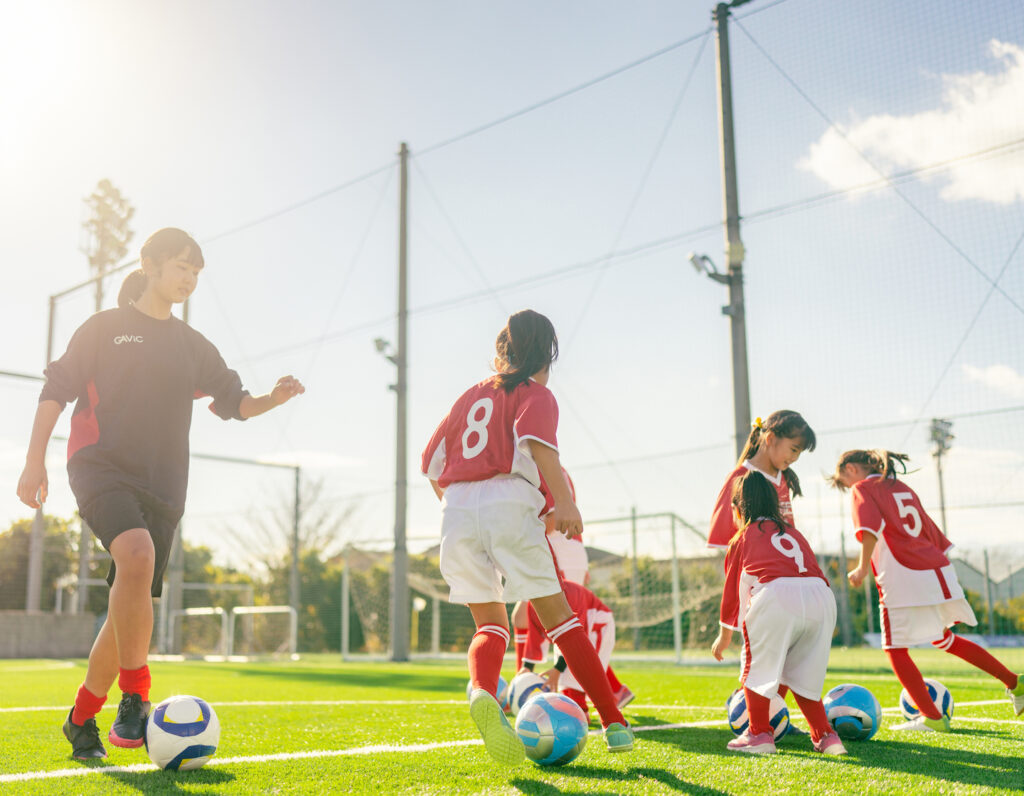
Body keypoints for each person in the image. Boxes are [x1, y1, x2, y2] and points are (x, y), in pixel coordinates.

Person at [16, 228, 305, 761]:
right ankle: (136, 696)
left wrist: (274, 398)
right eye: (180, 267)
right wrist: (34, 461)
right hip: (98, 464)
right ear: (148, 264)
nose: (189, 278)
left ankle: (81, 719)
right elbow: (55, 390)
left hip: (166, 484)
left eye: (196, 271)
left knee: (130, 598)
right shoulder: (104, 329)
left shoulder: (193, 346)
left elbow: (235, 403)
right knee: (137, 555)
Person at [421, 309, 632, 766]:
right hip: (510, 502)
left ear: (502, 353)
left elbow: (430, 464)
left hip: (455, 508)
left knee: (491, 625)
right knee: (562, 621)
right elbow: (538, 445)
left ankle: (482, 691)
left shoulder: (469, 396)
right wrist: (565, 502)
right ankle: (615, 724)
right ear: (547, 355)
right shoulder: (536, 394)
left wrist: (459, 507)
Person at [831, 449, 1024, 730]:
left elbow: (869, 530)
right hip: (936, 568)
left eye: (843, 481)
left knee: (895, 649)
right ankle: (1015, 682)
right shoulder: (901, 487)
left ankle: (932, 718)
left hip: (903, 574)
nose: (847, 487)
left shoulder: (862, 488)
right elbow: (932, 533)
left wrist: (861, 567)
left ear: (850, 468)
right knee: (944, 639)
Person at [711, 471, 844, 756]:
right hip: (821, 598)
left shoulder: (742, 537)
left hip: (776, 595)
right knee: (804, 675)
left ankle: (759, 734)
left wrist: (724, 637)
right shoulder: (794, 533)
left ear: (738, 509)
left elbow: (733, 595)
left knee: (756, 666)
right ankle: (827, 737)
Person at [707, 410, 817, 551]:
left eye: (799, 453)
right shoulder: (739, 478)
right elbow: (724, 539)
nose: (795, 458)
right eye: (794, 450)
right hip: (754, 568)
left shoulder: (783, 478)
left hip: (782, 565)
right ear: (770, 438)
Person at [520, 579, 625, 719]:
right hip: (565, 635)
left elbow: (576, 639)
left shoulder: (571, 594)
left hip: (597, 628)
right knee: (565, 683)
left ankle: (602, 714)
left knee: (579, 673)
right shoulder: (534, 599)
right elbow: (535, 635)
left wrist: (557, 668)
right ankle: (616, 693)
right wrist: (527, 668)